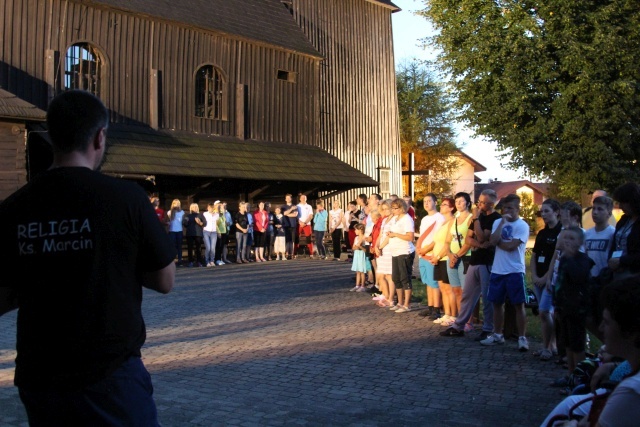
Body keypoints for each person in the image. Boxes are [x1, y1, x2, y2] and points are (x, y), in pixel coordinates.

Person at [0, 90, 175, 425]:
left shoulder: (14, 208)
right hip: (109, 373)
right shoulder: (127, 199)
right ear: (100, 136)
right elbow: (165, 280)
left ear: (51, 136)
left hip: (41, 376)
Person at [440, 189, 501, 340]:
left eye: (482, 202)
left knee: (486, 297)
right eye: (478, 201)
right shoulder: (477, 218)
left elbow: (481, 236)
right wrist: (480, 244)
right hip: (475, 260)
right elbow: (469, 239)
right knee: (467, 294)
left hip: (487, 262)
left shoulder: (494, 218)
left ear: (491, 204)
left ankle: (488, 328)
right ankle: (459, 325)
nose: (479, 205)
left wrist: (476, 220)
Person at [480, 193, 531, 351]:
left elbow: (511, 246)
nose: (507, 211)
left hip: (515, 270)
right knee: (496, 303)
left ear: (517, 209)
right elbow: (491, 241)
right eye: (504, 208)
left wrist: (497, 241)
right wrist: (502, 223)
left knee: (518, 305)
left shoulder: (522, 226)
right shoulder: (497, 222)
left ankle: (522, 337)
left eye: (510, 208)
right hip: (498, 269)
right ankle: (497, 334)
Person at [530, 199, 563, 361]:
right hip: (539, 277)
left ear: (557, 212)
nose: (543, 215)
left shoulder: (561, 232)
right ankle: (551, 345)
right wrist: (535, 275)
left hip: (550, 278)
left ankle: (548, 347)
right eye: (542, 212)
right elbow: (534, 256)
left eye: (547, 211)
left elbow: (555, 258)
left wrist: (545, 277)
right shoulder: (542, 233)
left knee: (545, 311)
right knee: (546, 313)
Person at [442, 192, 473, 326]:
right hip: (452, 258)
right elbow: (447, 241)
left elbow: (469, 241)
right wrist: (449, 254)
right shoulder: (453, 220)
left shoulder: (471, 219)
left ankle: (469, 321)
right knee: (456, 289)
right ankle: (461, 319)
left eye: (461, 201)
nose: (459, 204)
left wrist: (457, 255)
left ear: (467, 202)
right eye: (456, 202)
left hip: (465, 258)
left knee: (466, 291)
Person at [416, 193, 445, 318]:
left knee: (434, 282)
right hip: (423, 254)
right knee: (427, 282)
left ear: (435, 202)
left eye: (429, 201)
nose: (426, 203)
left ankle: (437, 309)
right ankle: (430, 306)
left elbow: (438, 238)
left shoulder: (439, 218)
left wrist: (426, 249)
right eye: (424, 201)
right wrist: (420, 250)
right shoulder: (424, 219)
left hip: (431, 253)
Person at [430, 197, 456, 322]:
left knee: (448, 288)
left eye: (445, 204)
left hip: (445, 257)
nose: (441, 206)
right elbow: (437, 241)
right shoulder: (443, 222)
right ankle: (446, 313)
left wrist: (438, 256)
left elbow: (448, 243)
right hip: (438, 258)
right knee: (442, 288)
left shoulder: (452, 221)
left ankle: (453, 315)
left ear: (451, 208)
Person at [388, 199, 415, 313]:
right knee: (396, 278)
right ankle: (399, 302)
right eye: (393, 208)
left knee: (405, 278)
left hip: (404, 251)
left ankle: (407, 304)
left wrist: (395, 234)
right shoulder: (394, 219)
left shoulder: (407, 219)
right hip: (395, 251)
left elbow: (410, 237)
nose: (393, 210)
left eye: (396, 208)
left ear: (402, 208)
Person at [608, 182, 640, 278]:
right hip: (618, 272)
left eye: (622, 202)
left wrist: (622, 261)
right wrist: (612, 260)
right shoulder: (623, 220)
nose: (620, 206)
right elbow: (614, 244)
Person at [183, 203, 207, 267]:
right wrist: (186, 221)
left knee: (198, 248)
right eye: (193, 207)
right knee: (190, 248)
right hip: (190, 233)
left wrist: (199, 222)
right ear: (191, 208)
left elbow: (205, 223)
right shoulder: (188, 215)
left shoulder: (200, 215)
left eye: (196, 207)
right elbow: (185, 224)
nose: (195, 208)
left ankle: (199, 261)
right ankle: (190, 261)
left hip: (198, 233)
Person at [350, 223, 368, 292]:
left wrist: (360, 246)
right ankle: (357, 285)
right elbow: (353, 247)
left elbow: (365, 249)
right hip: (357, 255)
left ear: (360, 230)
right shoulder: (356, 238)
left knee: (362, 271)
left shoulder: (364, 237)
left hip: (362, 255)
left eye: (356, 230)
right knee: (357, 271)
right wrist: (356, 247)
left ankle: (362, 285)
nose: (355, 231)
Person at [167, 198, 185, 265]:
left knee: (179, 245)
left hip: (179, 230)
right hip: (172, 231)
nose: (176, 205)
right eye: (175, 204)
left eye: (177, 204)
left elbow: (183, 221)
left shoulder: (182, 212)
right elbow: (168, 220)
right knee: (172, 245)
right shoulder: (169, 212)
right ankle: (172, 259)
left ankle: (180, 259)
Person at [281, 194, 298, 260]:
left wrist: (287, 214)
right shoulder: (283, 207)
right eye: (287, 198)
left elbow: (295, 215)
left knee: (292, 240)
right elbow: (283, 213)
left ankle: (292, 253)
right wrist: (291, 209)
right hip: (286, 225)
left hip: (293, 225)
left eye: (289, 198)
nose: (288, 199)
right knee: (287, 240)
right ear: (285, 199)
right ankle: (287, 253)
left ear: (291, 199)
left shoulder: (295, 206)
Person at [202, 202, 219, 267]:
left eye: (211, 208)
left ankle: (212, 260)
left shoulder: (216, 215)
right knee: (208, 247)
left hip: (214, 232)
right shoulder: (205, 214)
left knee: (212, 247)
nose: (210, 209)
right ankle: (207, 261)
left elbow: (217, 223)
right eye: (209, 208)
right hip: (206, 231)